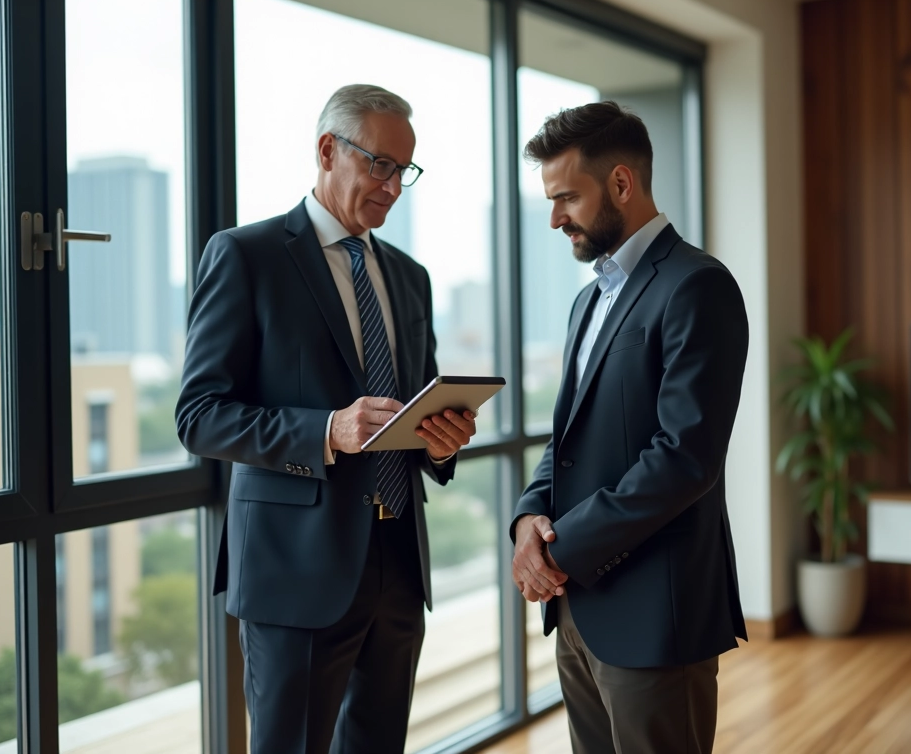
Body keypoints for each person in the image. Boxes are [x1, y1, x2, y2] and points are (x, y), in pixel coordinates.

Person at [176, 84, 476, 754]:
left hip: (399, 567)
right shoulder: (246, 255)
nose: (393, 187)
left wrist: (440, 442)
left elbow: (413, 405)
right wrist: (326, 431)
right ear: (327, 150)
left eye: (404, 170)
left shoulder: (410, 276)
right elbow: (199, 416)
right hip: (296, 572)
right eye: (380, 164)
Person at [510, 101, 748, 754]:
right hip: (576, 608)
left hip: (654, 613)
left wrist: (559, 551)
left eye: (566, 198)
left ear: (621, 183)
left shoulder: (697, 285)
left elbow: (685, 457)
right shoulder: (588, 300)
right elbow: (567, 438)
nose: (555, 218)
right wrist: (528, 519)